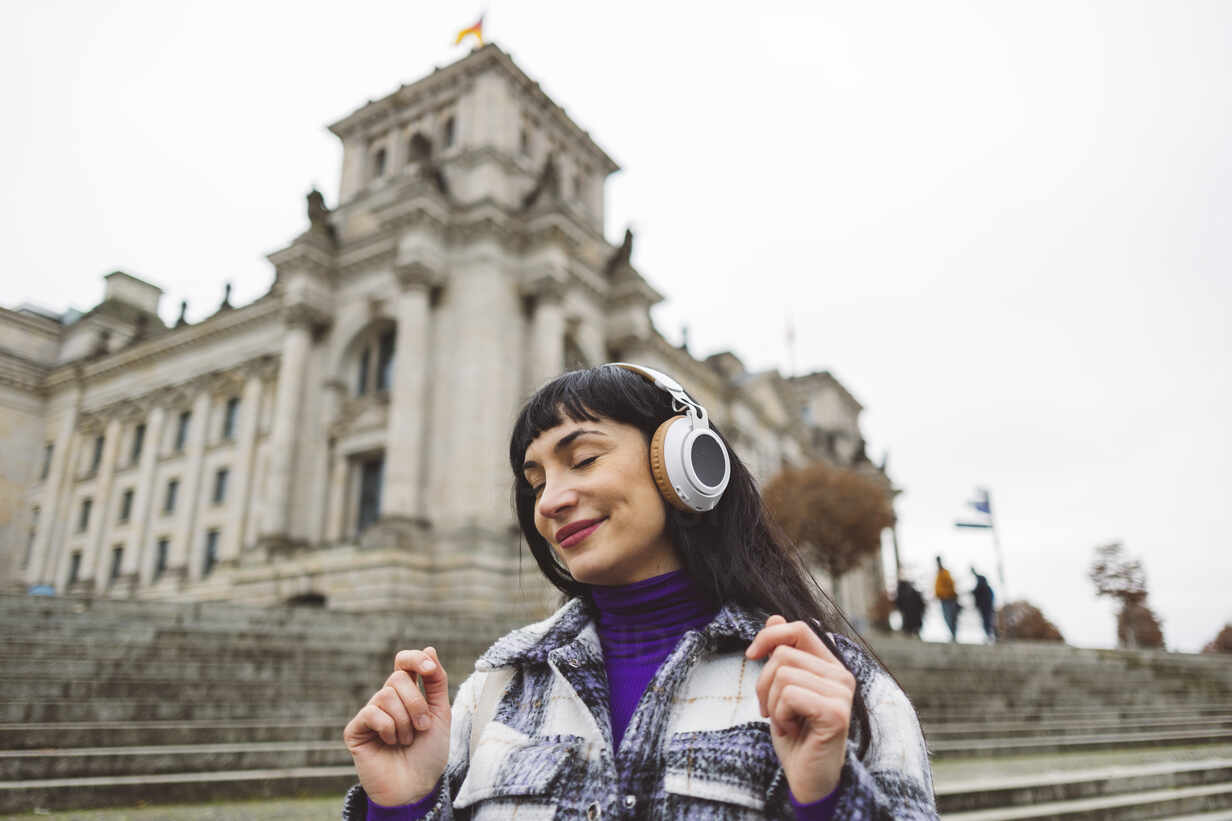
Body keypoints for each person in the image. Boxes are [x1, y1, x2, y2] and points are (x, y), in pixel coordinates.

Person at [342, 364, 938, 820]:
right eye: (536, 482)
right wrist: (402, 807)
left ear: (684, 464)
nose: (549, 502)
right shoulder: (493, 690)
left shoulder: (838, 685)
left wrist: (828, 800)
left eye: (583, 459)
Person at [934, 557, 959, 642]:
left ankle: (953, 635)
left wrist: (949, 594)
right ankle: (952, 635)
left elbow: (951, 584)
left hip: (948, 599)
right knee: (947, 617)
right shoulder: (939, 573)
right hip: (943, 599)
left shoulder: (945, 573)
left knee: (949, 617)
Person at [971, 568, 997, 643]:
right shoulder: (987, 588)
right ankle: (991, 636)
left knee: (988, 621)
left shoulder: (983, 587)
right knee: (988, 621)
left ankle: (991, 636)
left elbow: (977, 591)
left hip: (985, 607)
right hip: (985, 607)